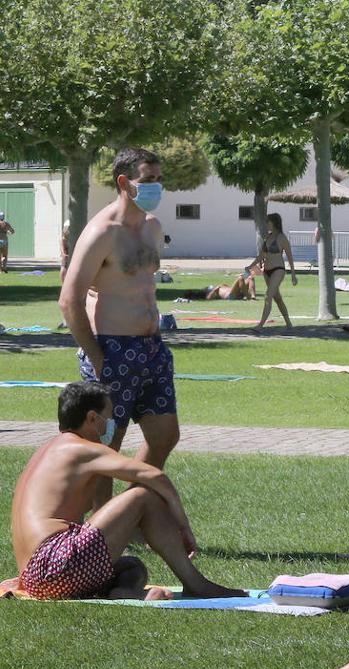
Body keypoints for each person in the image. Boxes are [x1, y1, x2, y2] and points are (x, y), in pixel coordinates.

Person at [10, 383, 245, 601]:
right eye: (109, 416)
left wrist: (149, 530)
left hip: (36, 578)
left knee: (132, 567)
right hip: (54, 567)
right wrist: (183, 527)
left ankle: (125, 592)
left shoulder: (48, 452)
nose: (112, 423)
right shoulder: (82, 449)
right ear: (92, 418)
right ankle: (197, 584)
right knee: (142, 495)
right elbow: (155, 476)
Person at [59, 147, 180, 480]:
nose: (156, 186)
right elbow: (69, 299)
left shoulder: (153, 228)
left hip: (152, 348)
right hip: (112, 348)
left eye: (159, 178)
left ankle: (131, 509)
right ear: (125, 182)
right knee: (107, 444)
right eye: (148, 179)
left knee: (165, 436)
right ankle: (102, 525)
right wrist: (98, 358)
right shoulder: (102, 232)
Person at [248, 213, 297, 332]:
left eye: (268, 222)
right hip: (267, 271)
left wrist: (293, 275)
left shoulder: (282, 238)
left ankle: (260, 325)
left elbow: (290, 257)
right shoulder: (268, 238)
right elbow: (262, 255)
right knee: (277, 298)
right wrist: (250, 266)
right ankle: (289, 323)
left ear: (274, 222)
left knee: (268, 296)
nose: (266, 224)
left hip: (278, 270)